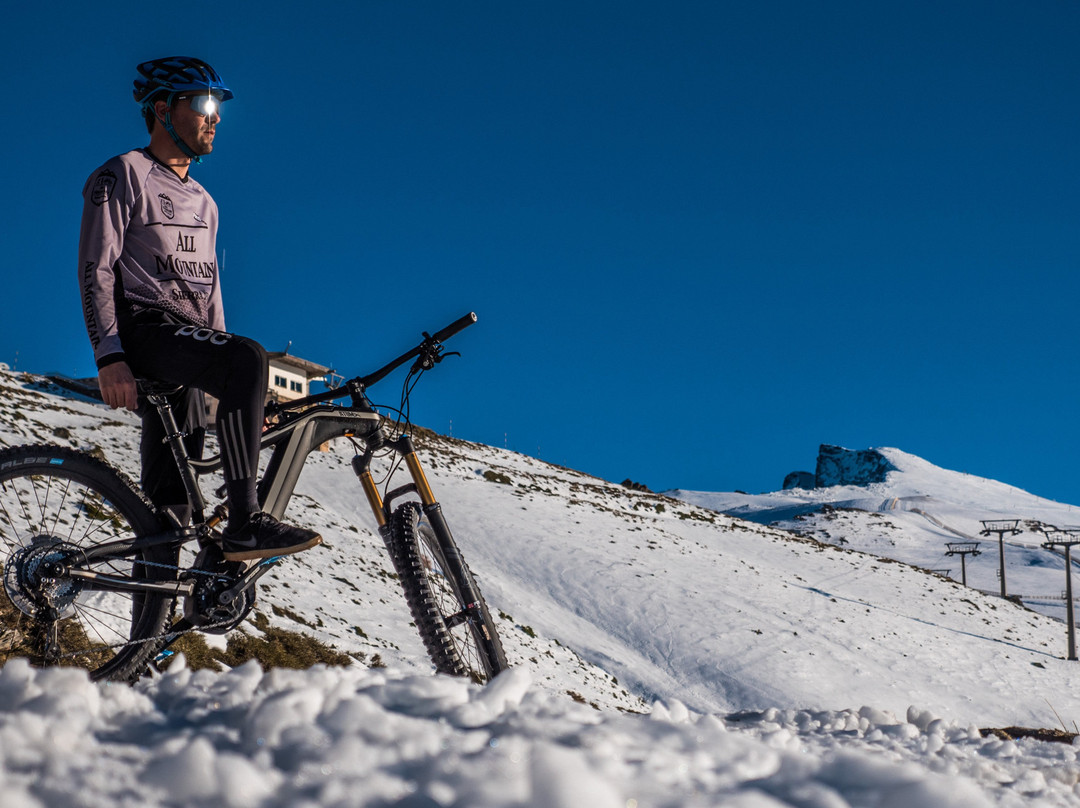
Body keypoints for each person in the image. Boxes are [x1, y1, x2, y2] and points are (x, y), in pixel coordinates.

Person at [78, 56, 321, 562]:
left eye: (220, 108)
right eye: (205, 104)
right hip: (145, 329)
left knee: (172, 513)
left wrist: (234, 379)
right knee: (248, 356)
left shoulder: (206, 203)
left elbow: (210, 296)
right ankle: (245, 523)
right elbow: (95, 268)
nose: (215, 118)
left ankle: (160, 626)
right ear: (163, 109)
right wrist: (109, 355)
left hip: (188, 348)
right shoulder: (123, 173)